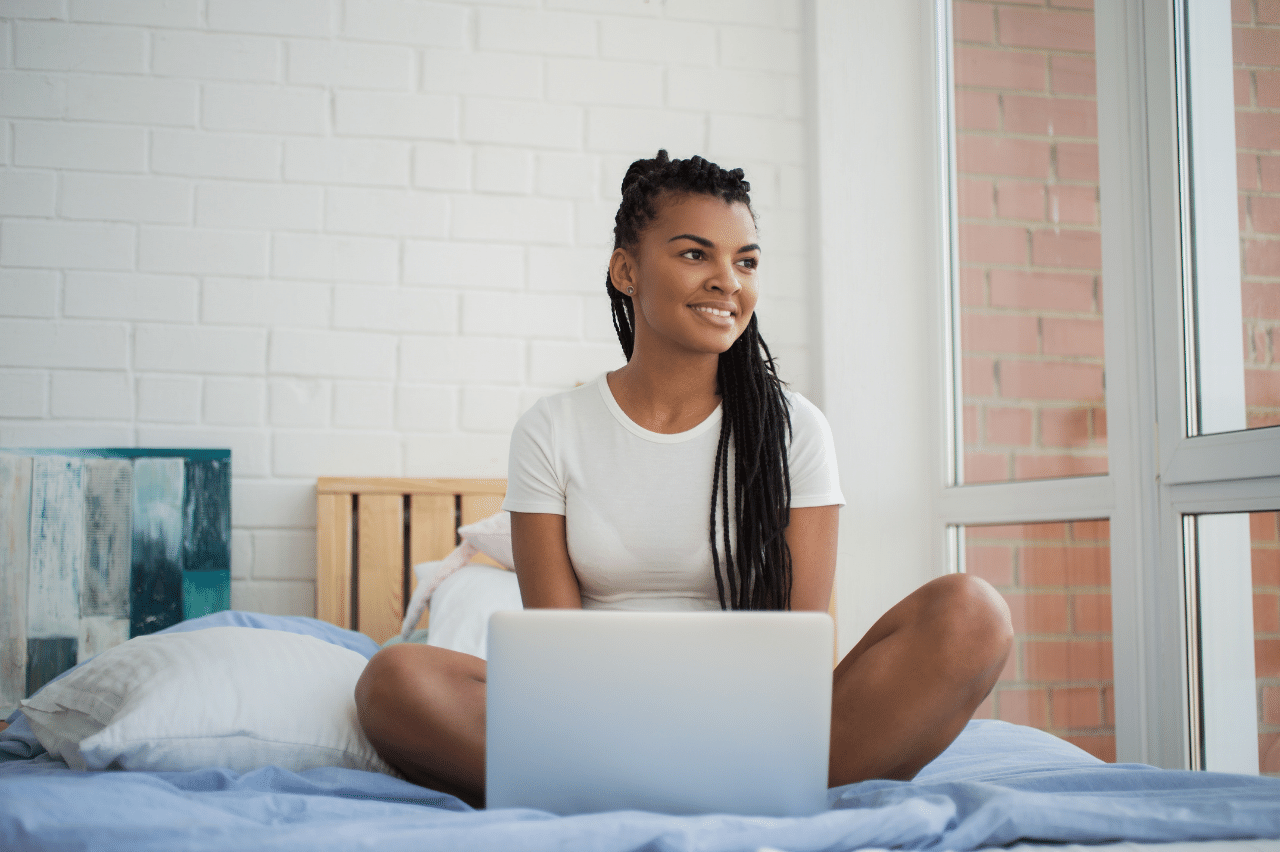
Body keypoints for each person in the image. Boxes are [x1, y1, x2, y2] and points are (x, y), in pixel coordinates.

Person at [355, 150, 1013, 810]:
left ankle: (639, 792)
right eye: (697, 254)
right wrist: (626, 728)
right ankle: (725, 794)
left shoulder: (797, 431)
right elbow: (557, 653)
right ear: (626, 270)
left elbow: (802, 651)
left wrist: (737, 723)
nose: (729, 281)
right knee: (394, 680)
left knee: (973, 614)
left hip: (759, 726)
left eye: (746, 261)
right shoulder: (550, 430)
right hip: (596, 724)